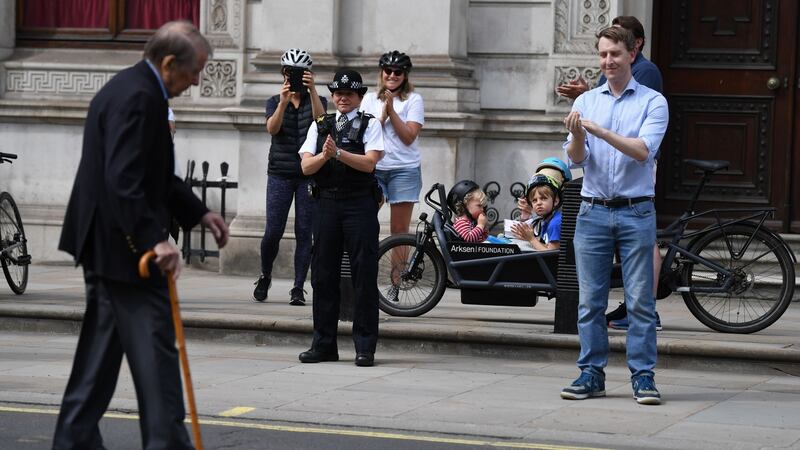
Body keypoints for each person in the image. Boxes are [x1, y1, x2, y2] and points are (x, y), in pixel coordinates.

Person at [53, 21, 229, 449]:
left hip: (108, 247)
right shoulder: (139, 98)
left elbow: (155, 177)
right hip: (126, 253)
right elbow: (123, 179)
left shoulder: (135, 89)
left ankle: (73, 442)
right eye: (194, 70)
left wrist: (200, 211)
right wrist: (156, 239)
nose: (197, 80)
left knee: (98, 359)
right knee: (156, 359)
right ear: (169, 63)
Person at [560, 26, 668, 405]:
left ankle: (643, 377)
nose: (608, 61)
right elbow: (577, 159)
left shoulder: (653, 102)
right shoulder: (586, 101)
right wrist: (576, 134)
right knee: (590, 301)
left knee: (640, 301)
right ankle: (591, 374)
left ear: (631, 55)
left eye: (615, 54)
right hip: (592, 211)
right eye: (603, 54)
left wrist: (601, 131)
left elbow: (642, 151)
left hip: (636, 211)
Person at [297, 69, 384, 367]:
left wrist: (339, 155)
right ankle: (323, 344)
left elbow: (370, 164)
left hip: (359, 205)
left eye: (349, 94)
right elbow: (306, 167)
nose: (342, 98)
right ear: (332, 96)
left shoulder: (370, 125)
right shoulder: (321, 126)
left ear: (359, 97)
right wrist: (324, 156)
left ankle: (364, 347)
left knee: (363, 275)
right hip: (326, 204)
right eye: (338, 94)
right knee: (323, 276)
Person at [253, 48, 327, 306]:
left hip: (309, 175)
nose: (292, 77)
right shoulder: (274, 100)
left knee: (305, 232)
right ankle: (265, 274)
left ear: (309, 74)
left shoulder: (317, 100)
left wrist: (314, 90)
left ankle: (298, 287)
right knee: (273, 230)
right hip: (280, 175)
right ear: (283, 73)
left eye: (299, 72)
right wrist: (284, 101)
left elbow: (321, 121)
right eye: (289, 72)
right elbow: (272, 129)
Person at [360, 51, 424, 236]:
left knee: (399, 230)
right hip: (375, 169)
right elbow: (364, 135)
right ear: (381, 72)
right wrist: (382, 117)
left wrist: (392, 112)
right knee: (364, 221)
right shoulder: (369, 99)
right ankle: (366, 264)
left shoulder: (414, 99)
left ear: (405, 76)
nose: (392, 75)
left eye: (398, 72)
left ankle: (400, 267)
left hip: (404, 170)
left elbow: (409, 136)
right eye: (388, 70)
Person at [556, 15, 662, 99]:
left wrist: (586, 96)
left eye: (620, 35)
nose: (608, 61)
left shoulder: (647, 70)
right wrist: (586, 96)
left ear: (637, 43)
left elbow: (628, 113)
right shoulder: (611, 67)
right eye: (603, 55)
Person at [511, 158, 572, 251]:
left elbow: (550, 254)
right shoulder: (546, 219)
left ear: (556, 199)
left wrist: (531, 239)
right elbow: (544, 243)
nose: (538, 203)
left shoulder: (556, 222)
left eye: (543, 198)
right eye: (534, 200)